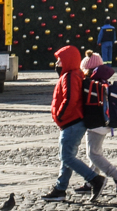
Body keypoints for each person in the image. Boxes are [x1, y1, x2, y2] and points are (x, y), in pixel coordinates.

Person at [42, 44, 103, 201]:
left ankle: (95, 179)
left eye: (60, 60)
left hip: (71, 122)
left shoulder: (69, 76)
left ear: (68, 60)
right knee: (66, 156)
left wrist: (60, 116)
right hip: (73, 122)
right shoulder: (73, 75)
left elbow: (70, 99)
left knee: (67, 157)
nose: (57, 64)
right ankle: (60, 189)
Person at [79, 48, 117, 194]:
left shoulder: (90, 83)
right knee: (96, 152)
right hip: (105, 122)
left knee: (92, 154)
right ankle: (90, 182)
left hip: (95, 124)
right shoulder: (103, 81)